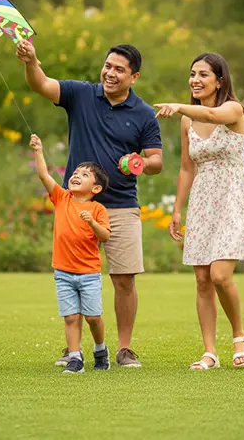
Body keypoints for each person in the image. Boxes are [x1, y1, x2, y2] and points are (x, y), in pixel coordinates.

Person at [17, 40, 163, 368]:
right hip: (76, 206)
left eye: (119, 70)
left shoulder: (143, 114)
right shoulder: (80, 94)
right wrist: (31, 62)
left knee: (124, 279)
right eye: (108, 66)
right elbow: (41, 84)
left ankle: (124, 348)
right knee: (73, 275)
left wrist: (138, 162)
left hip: (121, 205)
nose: (110, 73)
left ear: (134, 77)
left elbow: (156, 161)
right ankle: (74, 349)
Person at [153, 52, 244, 370]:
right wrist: (177, 210)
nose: (195, 80)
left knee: (220, 275)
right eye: (192, 74)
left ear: (220, 80)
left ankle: (240, 335)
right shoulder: (188, 121)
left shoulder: (233, 110)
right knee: (202, 279)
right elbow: (187, 168)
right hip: (203, 200)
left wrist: (178, 106)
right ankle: (209, 352)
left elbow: (212, 115)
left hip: (233, 197)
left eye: (203, 74)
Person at [29, 133, 112, 373]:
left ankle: (100, 349)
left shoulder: (98, 209)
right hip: (63, 273)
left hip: (89, 274)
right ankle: (75, 358)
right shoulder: (62, 198)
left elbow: (105, 236)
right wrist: (38, 151)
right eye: (75, 172)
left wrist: (92, 223)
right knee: (71, 317)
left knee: (93, 317)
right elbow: (44, 175)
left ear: (96, 188)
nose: (76, 175)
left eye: (84, 175)